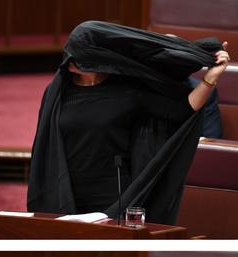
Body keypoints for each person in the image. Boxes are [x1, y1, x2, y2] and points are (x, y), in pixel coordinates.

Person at [27, 21, 231, 224]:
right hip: (63, 190)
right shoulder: (57, 91)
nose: (69, 58)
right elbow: (45, 144)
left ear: (97, 58)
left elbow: (182, 110)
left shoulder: (128, 91)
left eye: (77, 54)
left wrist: (210, 78)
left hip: (112, 197)